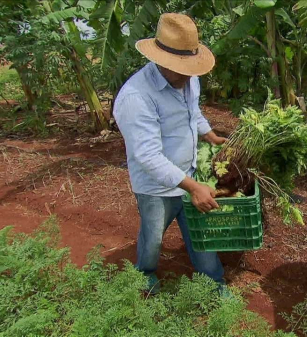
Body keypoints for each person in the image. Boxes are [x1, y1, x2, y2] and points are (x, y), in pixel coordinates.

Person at [113, 13, 227, 292]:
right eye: (182, 68)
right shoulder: (136, 97)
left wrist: (209, 135)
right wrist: (193, 187)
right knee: (152, 237)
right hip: (154, 186)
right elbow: (148, 156)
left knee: (201, 236)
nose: (188, 75)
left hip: (188, 174)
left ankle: (214, 282)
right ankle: (146, 273)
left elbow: (193, 112)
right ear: (161, 61)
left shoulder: (188, 79)